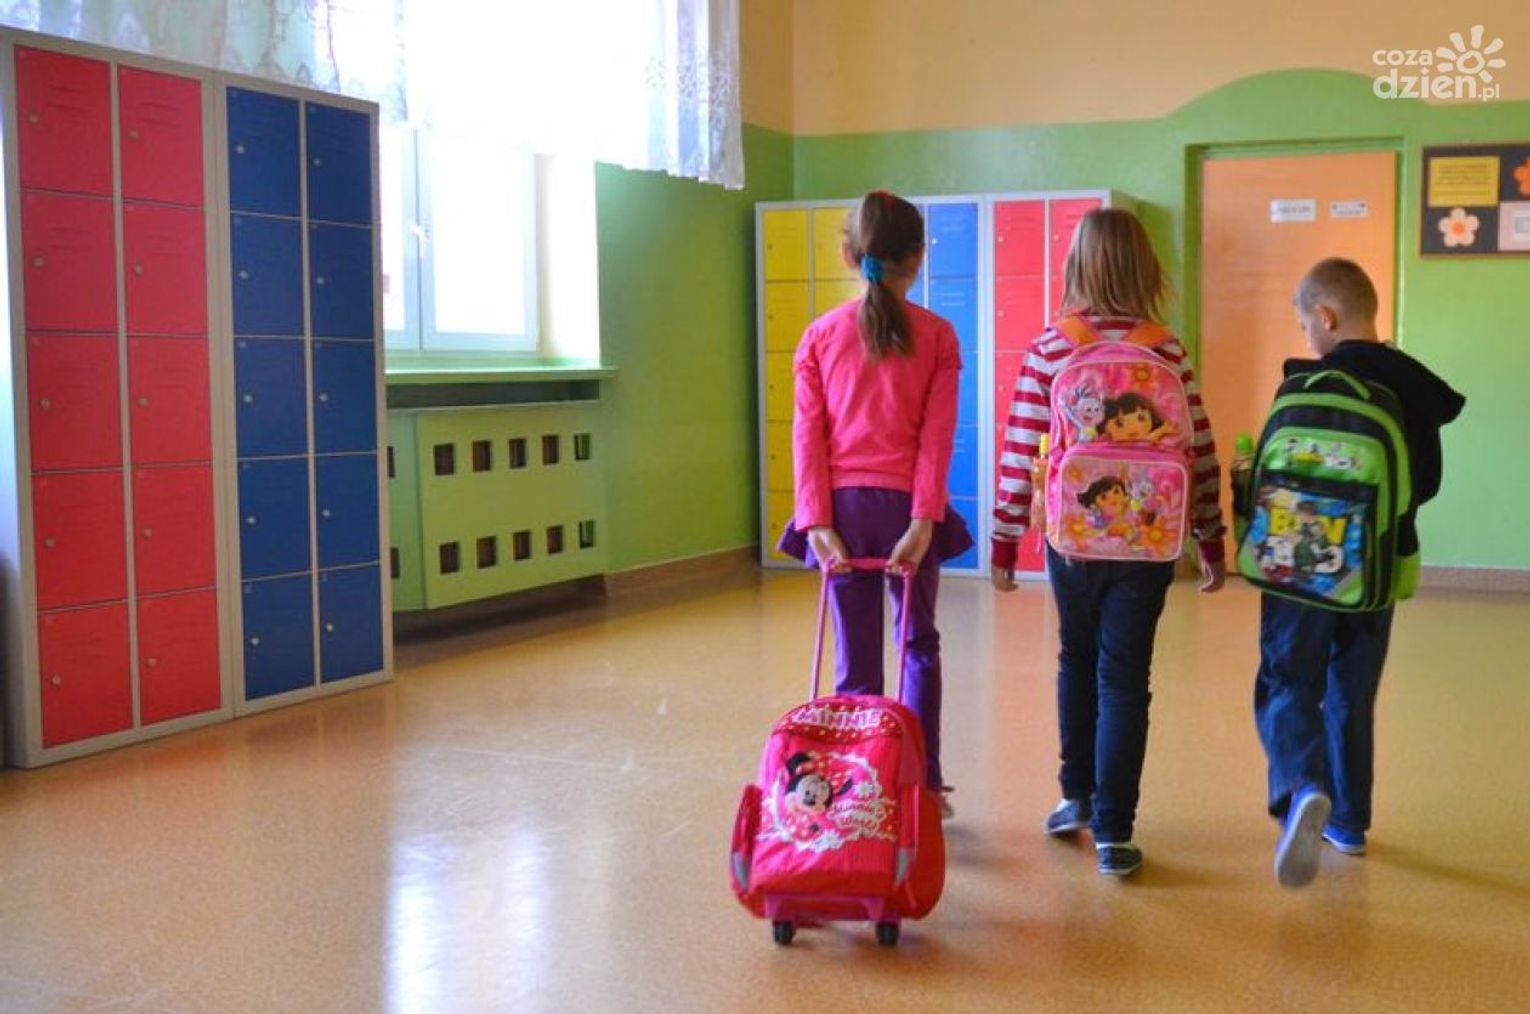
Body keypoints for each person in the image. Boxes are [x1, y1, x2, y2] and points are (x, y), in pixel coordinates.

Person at [990, 208, 1227, 876]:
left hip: (1073, 541)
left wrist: (1005, 538)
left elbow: (1020, 448)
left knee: (1077, 658)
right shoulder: (1166, 349)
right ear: (1147, 271)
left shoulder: (1052, 347)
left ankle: (1077, 798)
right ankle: (1116, 833)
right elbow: (1200, 448)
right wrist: (1210, 536)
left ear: (1076, 268)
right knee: (1125, 677)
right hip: (1148, 542)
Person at [1257, 257, 1464, 887]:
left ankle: (1303, 787)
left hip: (1300, 568)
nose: (1306, 336)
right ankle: (1348, 822)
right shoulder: (1411, 387)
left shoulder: (1306, 385)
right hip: (1376, 568)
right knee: (1351, 688)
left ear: (1326, 317)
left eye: (1305, 325)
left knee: (1287, 678)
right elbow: (1425, 483)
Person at [778, 191, 973, 815]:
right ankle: (923, 786)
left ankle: (852, 789)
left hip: (843, 513)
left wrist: (816, 521)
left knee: (855, 660)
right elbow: (936, 439)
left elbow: (807, 436)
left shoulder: (818, 336)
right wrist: (923, 520)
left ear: (848, 254)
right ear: (918, 259)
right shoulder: (938, 336)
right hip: (904, 511)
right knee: (919, 646)